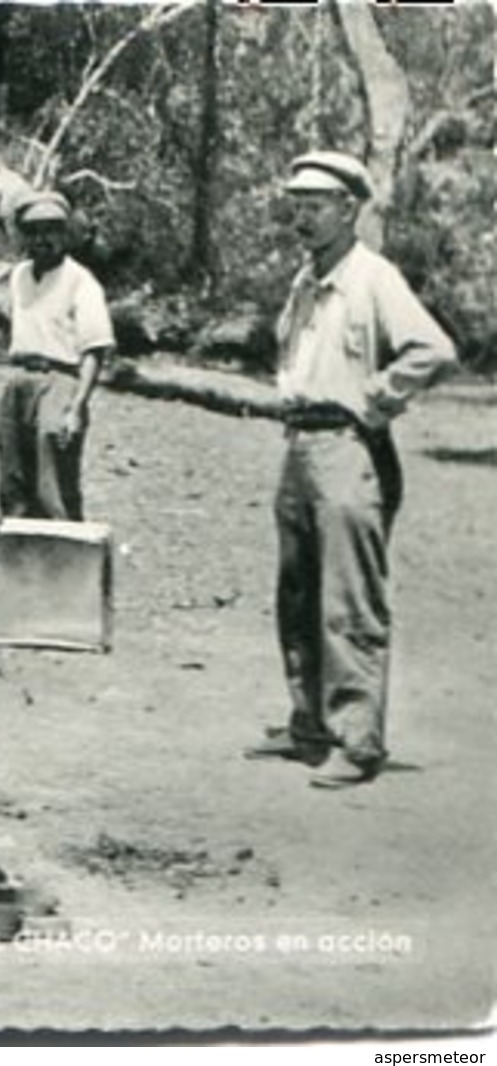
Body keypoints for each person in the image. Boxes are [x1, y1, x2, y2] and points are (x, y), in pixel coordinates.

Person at [243, 152, 457, 789]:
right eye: (295, 206)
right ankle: (309, 723)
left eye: (315, 206)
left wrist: (376, 396)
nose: (301, 219)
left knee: (348, 602)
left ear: (349, 209)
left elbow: (434, 349)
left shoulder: (372, 277)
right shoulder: (307, 279)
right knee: (298, 593)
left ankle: (358, 741)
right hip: (301, 445)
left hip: (350, 450)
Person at [0, 190, 114, 522]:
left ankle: (67, 563)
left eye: (50, 230)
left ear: (64, 233)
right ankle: (20, 563)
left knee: (54, 482)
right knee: (13, 480)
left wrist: (76, 407)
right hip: (19, 381)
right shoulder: (19, 276)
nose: (42, 239)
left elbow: (94, 349)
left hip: (59, 380)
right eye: (33, 231)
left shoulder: (81, 281)